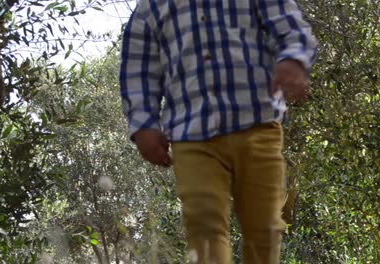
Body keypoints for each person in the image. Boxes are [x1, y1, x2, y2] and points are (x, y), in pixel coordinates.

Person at [119, 0, 317, 263]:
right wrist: (144, 124)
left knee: (265, 226)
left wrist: (293, 59)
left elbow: (292, 28)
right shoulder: (151, 7)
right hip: (192, 135)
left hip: (258, 124)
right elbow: (138, 69)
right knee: (203, 225)